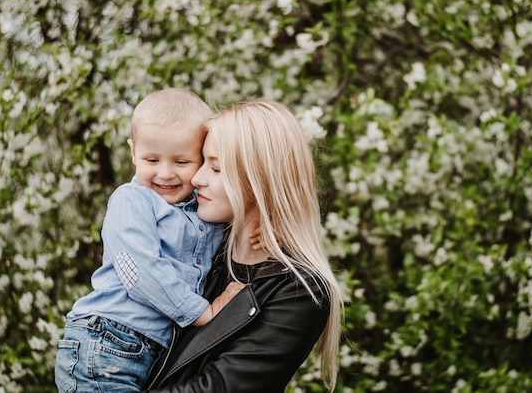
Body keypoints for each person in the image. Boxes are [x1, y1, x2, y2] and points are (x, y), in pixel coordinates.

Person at [143, 100, 344, 392]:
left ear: (259, 180)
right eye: (201, 163)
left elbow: (218, 388)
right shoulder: (197, 244)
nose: (197, 178)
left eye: (216, 168)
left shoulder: (298, 291)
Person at [54, 88, 244, 392]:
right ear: (133, 152)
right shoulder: (131, 201)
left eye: (182, 162)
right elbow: (139, 271)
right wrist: (200, 312)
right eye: (151, 159)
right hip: (107, 342)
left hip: (144, 350)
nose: (165, 173)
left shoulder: (199, 208)